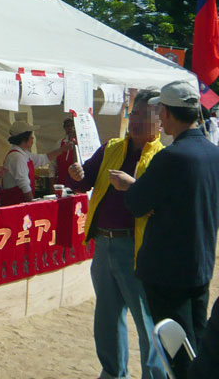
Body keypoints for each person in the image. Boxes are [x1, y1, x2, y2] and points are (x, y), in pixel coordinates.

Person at [109, 80, 219, 378]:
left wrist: (131, 186)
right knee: (198, 343)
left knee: (177, 352)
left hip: (168, 269)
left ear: (168, 114)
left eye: (161, 111)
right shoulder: (213, 153)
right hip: (201, 263)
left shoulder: (171, 157)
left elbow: (137, 203)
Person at [66, 89, 166, 379]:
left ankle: (154, 375)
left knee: (146, 320)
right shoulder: (111, 148)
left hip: (138, 248)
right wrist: (77, 174)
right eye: (133, 113)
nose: (135, 121)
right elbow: (85, 181)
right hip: (104, 243)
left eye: (143, 115)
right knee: (107, 317)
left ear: (160, 122)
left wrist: (133, 186)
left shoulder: (162, 158)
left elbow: (164, 205)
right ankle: (112, 373)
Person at [0, 121, 73, 206]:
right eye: (31, 136)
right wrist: (33, 205)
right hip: (16, 204)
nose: (32, 138)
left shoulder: (24, 154)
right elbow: (25, 186)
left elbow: (43, 158)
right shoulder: (17, 157)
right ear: (24, 138)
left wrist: (62, 150)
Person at [54, 117, 77, 185]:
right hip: (62, 182)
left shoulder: (80, 143)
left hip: (77, 183)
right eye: (67, 126)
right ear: (64, 128)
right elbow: (53, 164)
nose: (70, 128)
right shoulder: (59, 143)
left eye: (72, 126)